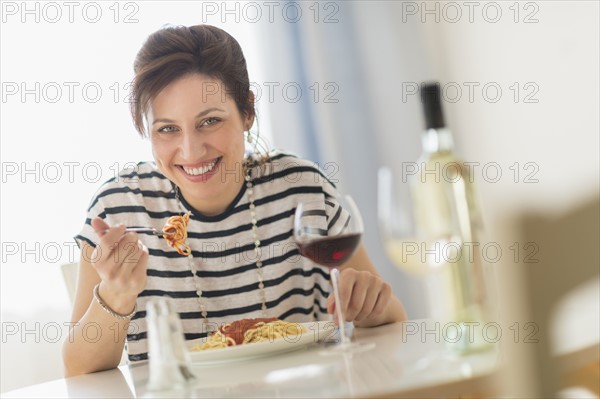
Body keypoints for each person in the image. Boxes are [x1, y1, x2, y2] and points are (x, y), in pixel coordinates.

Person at [62, 24, 406, 376]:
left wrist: (370, 305)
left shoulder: (301, 190)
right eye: (167, 129)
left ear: (247, 112)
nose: (191, 150)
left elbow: (389, 318)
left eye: (209, 121)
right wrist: (116, 294)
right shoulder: (118, 208)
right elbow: (79, 370)